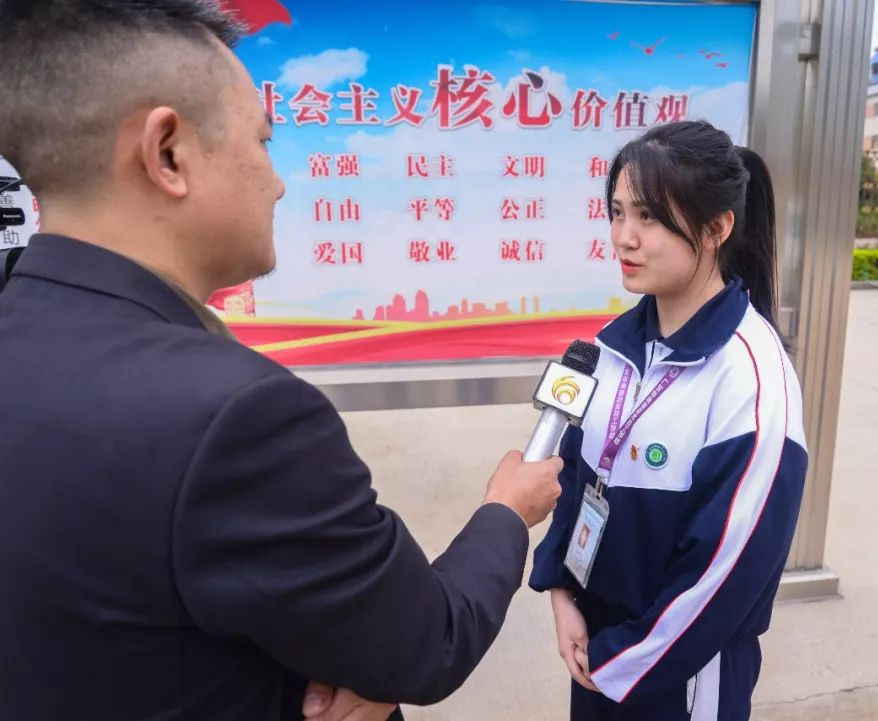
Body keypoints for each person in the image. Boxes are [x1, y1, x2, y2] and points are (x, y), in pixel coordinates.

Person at [0, 2, 562, 720]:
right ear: (167, 152)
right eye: (263, 141)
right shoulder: (238, 415)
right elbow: (428, 642)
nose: (279, 181)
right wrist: (506, 511)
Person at [529, 121, 809, 721]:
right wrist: (562, 590)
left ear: (716, 228)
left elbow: (725, 575)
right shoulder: (609, 346)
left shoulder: (753, 381)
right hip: (598, 648)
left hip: (681, 672)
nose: (623, 237)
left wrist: (621, 661)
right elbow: (574, 479)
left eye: (650, 216)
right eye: (617, 211)